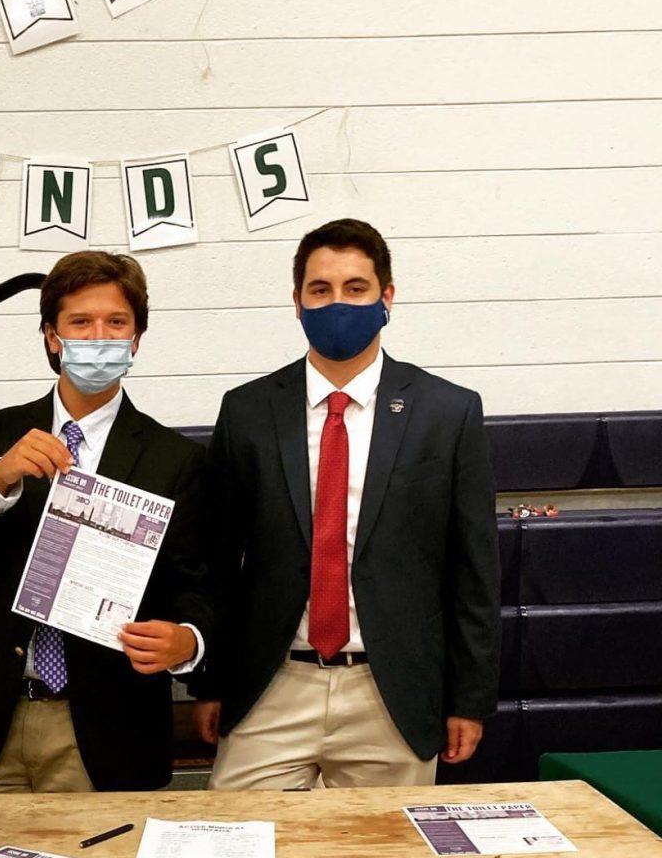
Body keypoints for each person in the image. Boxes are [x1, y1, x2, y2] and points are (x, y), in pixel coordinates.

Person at [193, 218, 500, 789]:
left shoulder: (447, 412)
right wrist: (211, 683)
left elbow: (473, 569)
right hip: (273, 686)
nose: (338, 303)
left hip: (392, 694)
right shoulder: (248, 410)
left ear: (387, 297)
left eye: (355, 289)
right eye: (320, 290)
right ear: (297, 302)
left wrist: (470, 697)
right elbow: (218, 562)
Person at [0, 251, 212, 792]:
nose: (98, 336)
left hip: (109, 726)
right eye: (80, 323)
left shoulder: (174, 458)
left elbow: (199, 586)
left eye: (116, 322)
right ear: (52, 336)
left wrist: (188, 640)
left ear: (136, 339)